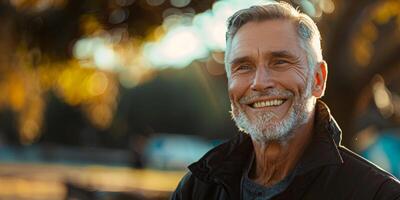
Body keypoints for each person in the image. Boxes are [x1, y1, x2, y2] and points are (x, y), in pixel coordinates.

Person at [171, 2, 400, 200]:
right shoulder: (196, 189)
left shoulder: (377, 194)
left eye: (280, 62)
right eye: (243, 67)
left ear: (318, 79)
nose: (259, 83)